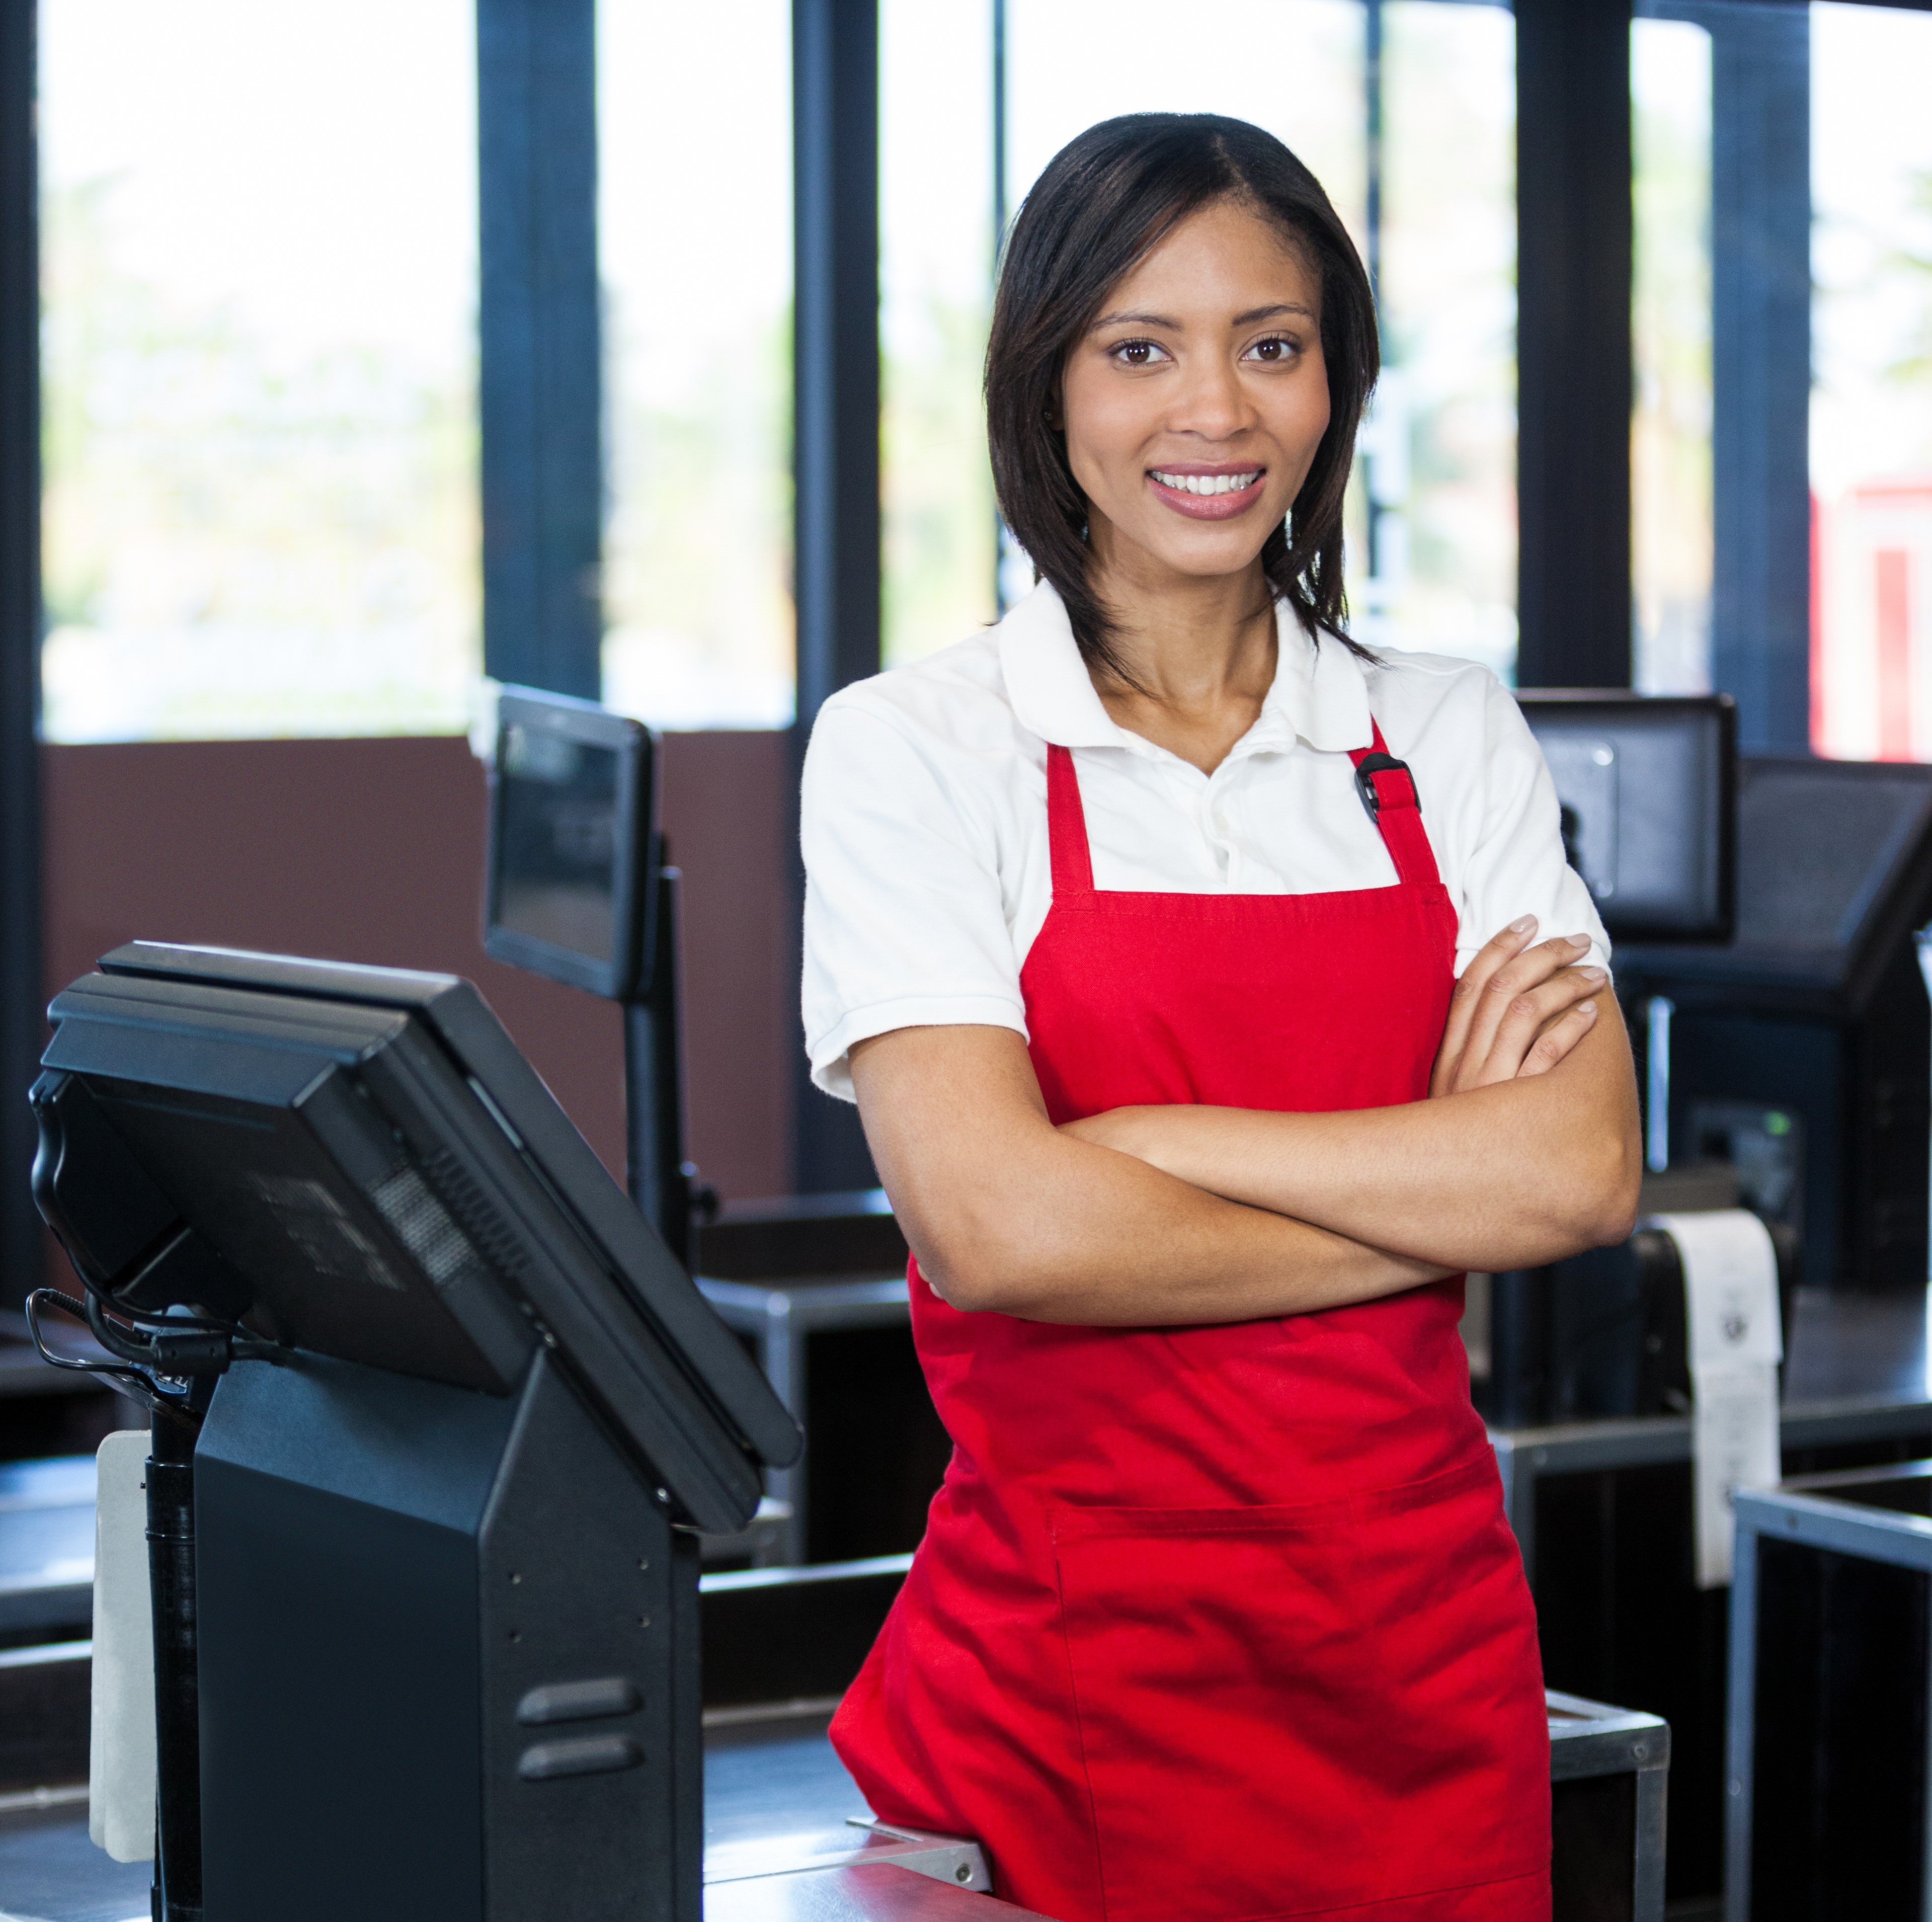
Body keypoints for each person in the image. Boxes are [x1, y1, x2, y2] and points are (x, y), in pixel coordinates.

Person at [801, 112, 1640, 1922]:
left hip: (1419, 1676)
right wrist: (1431, 1204)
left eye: (1272, 344)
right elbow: (999, 1230)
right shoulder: (919, 749)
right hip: (1066, 1695)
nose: (1218, 412)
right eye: (1140, 349)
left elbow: (1575, 1177)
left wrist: (1154, 1150)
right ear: (1048, 381)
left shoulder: (1441, 726)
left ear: (1337, 379)